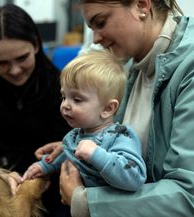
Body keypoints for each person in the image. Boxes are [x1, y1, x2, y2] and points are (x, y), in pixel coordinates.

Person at [34, 0, 194, 216]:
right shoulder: (129, 61)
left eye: (100, 22)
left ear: (141, 5)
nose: (97, 39)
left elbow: (187, 194)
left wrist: (85, 201)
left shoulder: (188, 69)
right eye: (92, 29)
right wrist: (83, 142)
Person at [0, 4, 71, 217]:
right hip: (2, 172)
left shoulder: (61, 84)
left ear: (36, 45)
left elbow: (71, 144)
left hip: (53, 178)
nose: (14, 70)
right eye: (2, 63)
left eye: (22, 58)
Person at [23, 50, 147, 192]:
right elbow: (67, 155)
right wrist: (44, 166)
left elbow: (135, 179)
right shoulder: (74, 136)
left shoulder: (120, 137)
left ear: (107, 108)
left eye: (77, 99)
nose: (65, 105)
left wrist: (96, 154)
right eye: (64, 97)